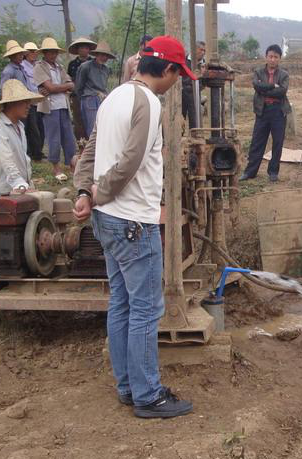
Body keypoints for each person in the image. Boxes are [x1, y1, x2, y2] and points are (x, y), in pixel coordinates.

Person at [72, 35, 197, 419]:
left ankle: (127, 386)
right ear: (169, 69)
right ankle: (148, 395)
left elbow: (91, 149)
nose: (177, 81)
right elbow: (131, 159)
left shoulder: (114, 97)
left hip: (108, 219)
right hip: (132, 222)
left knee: (122, 303)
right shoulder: (148, 102)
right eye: (178, 74)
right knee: (145, 308)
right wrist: (102, 191)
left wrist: (84, 191)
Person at [240, 44, 290, 183]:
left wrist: (264, 89)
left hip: (278, 111)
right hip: (262, 110)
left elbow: (282, 92)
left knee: (277, 143)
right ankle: (250, 172)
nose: (272, 59)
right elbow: (256, 86)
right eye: (270, 56)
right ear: (266, 57)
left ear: (279, 58)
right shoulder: (258, 72)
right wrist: (273, 85)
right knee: (257, 142)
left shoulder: (284, 74)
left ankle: (273, 172)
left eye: (276, 57)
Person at [0, 79, 44, 196]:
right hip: (5, 193)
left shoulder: (20, 126)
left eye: (29, 102)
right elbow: (6, 159)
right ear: (11, 103)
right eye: (24, 102)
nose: (28, 106)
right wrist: (19, 184)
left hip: (23, 189)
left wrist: (27, 185)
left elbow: (24, 160)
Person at [33, 37, 78, 181]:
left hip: (63, 105)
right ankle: (56, 167)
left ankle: (72, 165)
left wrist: (58, 88)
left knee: (68, 137)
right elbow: (50, 87)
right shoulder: (39, 67)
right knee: (54, 138)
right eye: (50, 52)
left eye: (55, 52)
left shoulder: (59, 67)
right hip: (50, 107)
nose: (53, 55)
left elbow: (71, 84)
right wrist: (62, 87)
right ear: (45, 53)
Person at [75, 41, 114, 138]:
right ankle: (93, 147)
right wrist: (83, 98)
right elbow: (79, 86)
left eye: (106, 55)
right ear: (96, 54)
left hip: (103, 99)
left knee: (103, 127)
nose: (104, 57)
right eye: (102, 55)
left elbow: (104, 86)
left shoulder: (106, 69)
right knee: (92, 129)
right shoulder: (85, 67)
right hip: (90, 99)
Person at [67, 37, 97, 141]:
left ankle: (92, 142)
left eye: (86, 48)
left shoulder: (94, 63)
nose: (83, 50)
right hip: (76, 96)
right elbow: (69, 79)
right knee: (78, 121)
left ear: (89, 50)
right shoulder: (72, 64)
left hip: (90, 96)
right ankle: (81, 144)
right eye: (81, 48)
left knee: (91, 121)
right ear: (77, 50)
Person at [20, 42, 44, 161]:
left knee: (40, 127)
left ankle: (38, 151)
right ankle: (32, 153)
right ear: (26, 54)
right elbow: (27, 85)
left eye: (35, 51)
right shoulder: (23, 66)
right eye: (31, 51)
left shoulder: (38, 65)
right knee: (31, 128)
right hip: (30, 101)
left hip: (40, 100)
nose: (33, 54)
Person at [181, 40, 206, 128]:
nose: (203, 53)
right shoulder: (184, 61)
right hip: (182, 93)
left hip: (195, 93)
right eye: (201, 50)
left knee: (194, 118)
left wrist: (203, 75)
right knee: (181, 117)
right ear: (194, 49)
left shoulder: (204, 64)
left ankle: (194, 134)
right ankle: (180, 134)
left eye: (204, 51)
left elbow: (204, 83)